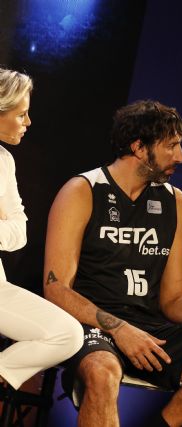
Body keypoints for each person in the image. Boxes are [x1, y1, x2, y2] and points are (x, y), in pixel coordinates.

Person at [43, 100, 182, 427]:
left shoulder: (179, 204)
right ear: (139, 147)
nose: (181, 156)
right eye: (171, 146)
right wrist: (120, 329)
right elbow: (55, 289)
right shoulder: (82, 191)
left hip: (149, 329)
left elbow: (172, 300)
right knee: (103, 371)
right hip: (90, 325)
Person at [0, 67, 84, 390]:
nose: (28, 122)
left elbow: (20, 231)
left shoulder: (4, 161)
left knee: (68, 334)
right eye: (21, 115)